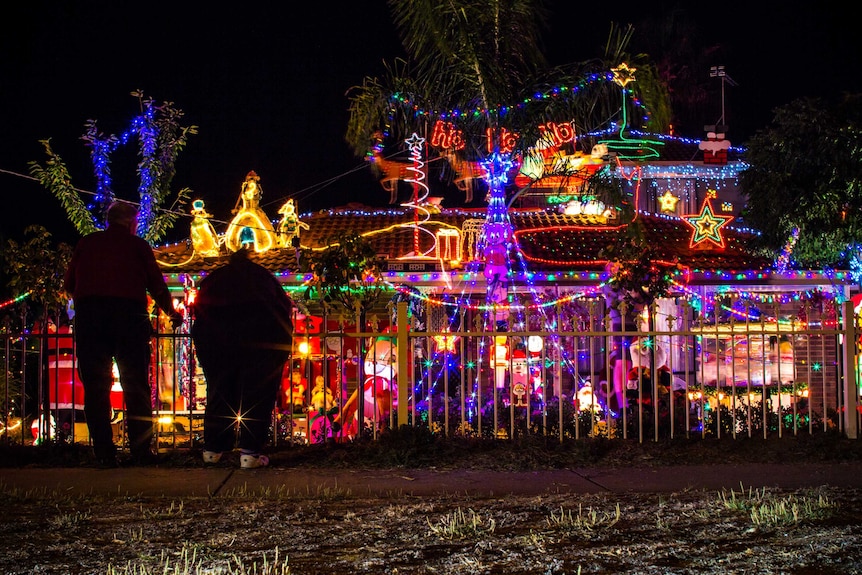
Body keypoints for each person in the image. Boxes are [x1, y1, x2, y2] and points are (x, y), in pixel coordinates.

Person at [64, 201, 182, 467]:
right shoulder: (137, 246)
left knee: (96, 386)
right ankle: (141, 451)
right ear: (131, 223)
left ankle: (104, 453)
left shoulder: (87, 243)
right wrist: (172, 314)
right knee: (135, 385)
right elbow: (156, 284)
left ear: (109, 220)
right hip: (129, 316)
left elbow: (69, 284)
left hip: (91, 317)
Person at [191, 240, 293, 469]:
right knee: (257, 394)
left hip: (216, 341)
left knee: (219, 390)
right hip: (261, 340)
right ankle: (250, 452)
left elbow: (199, 309)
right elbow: (282, 309)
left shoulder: (215, 280)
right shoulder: (264, 279)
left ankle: (213, 449)